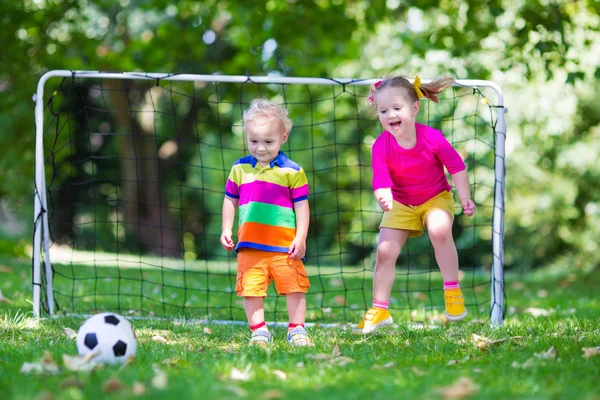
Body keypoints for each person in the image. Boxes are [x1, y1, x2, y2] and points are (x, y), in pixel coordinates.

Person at [353, 75, 476, 335]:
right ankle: (380, 309)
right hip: (400, 201)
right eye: (383, 111)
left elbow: (457, 167)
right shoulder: (380, 146)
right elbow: (381, 180)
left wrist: (465, 196)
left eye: (397, 108)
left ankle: (452, 290)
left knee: (440, 230)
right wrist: (382, 194)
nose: (390, 115)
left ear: (414, 108)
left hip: (435, 198)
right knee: (385, 251)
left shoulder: (432, 138)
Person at [220, 98, 313, 347]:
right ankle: (259, 330)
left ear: (283, 136)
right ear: (246, 137)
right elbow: (230, 200)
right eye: (254, 141)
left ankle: (296, 329)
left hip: (285, 246)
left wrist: (300, 237)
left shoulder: (293, 171)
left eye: (268, 141)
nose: (261, 148)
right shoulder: (239, 169)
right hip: (250, 245)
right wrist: (226, 229)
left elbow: (302, 206)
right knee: (251, 289)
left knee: (295, 287)